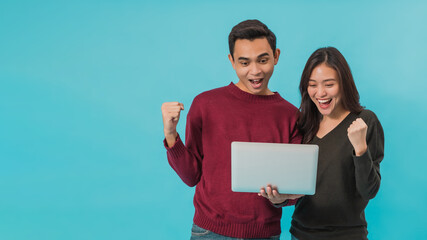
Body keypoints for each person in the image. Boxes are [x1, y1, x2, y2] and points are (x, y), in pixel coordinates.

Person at [161, 19, 302, 239]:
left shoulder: (291, 116)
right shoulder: (205, 104)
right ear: (232, 61)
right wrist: (171, 135)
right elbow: (191, 176)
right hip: (209, 232)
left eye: (263, 60)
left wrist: (281, 198)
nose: (255, 71)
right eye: (244, 63)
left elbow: (295, 187)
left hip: (264, 234)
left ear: (276, 56)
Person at [290, 47, 385, 240]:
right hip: (301, 234)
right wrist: (277, 197)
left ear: (344, 84)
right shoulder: (304, 123)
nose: (320, 93)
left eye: (329, 84)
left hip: (347, 235)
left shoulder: (364, 121)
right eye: (312, 85)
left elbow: (369, 190)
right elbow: (293, 185)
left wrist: (360, 148)